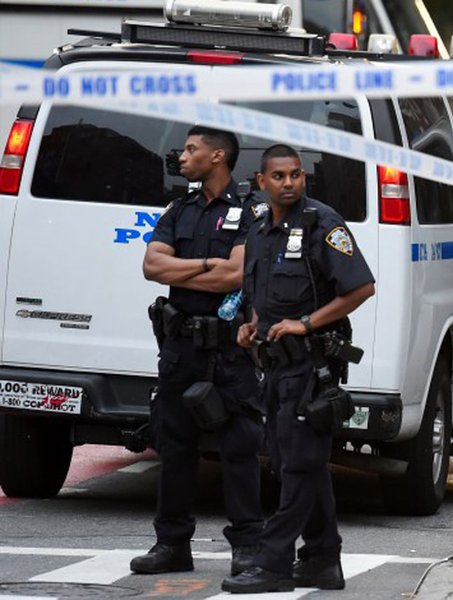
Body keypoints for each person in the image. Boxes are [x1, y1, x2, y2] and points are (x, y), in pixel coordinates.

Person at [222, 144, 375, 594]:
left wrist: (304, 323)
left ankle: (272, 564)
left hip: (312, 367)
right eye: (279, 176)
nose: (289, 183)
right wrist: (250, 326)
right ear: (261, 183)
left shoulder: (322, 224)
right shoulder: (259, 229)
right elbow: (261, 297)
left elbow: (361, 287)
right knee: (298, 462)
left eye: (296, 175)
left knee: (299, 467)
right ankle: (322, 559)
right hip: (275, 369)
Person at [134, 126, 263, 575]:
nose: (182, 156)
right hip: (180, 346)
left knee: (239, 449)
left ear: (218, 156)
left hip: (229, 351)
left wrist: (189, 270)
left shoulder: (251, 210)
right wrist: (209, 264)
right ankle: (171, 545)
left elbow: (237, 276)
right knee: (173, 448)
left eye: (192, 149)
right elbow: (152, 265)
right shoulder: (180, 208)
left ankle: (247, 548)